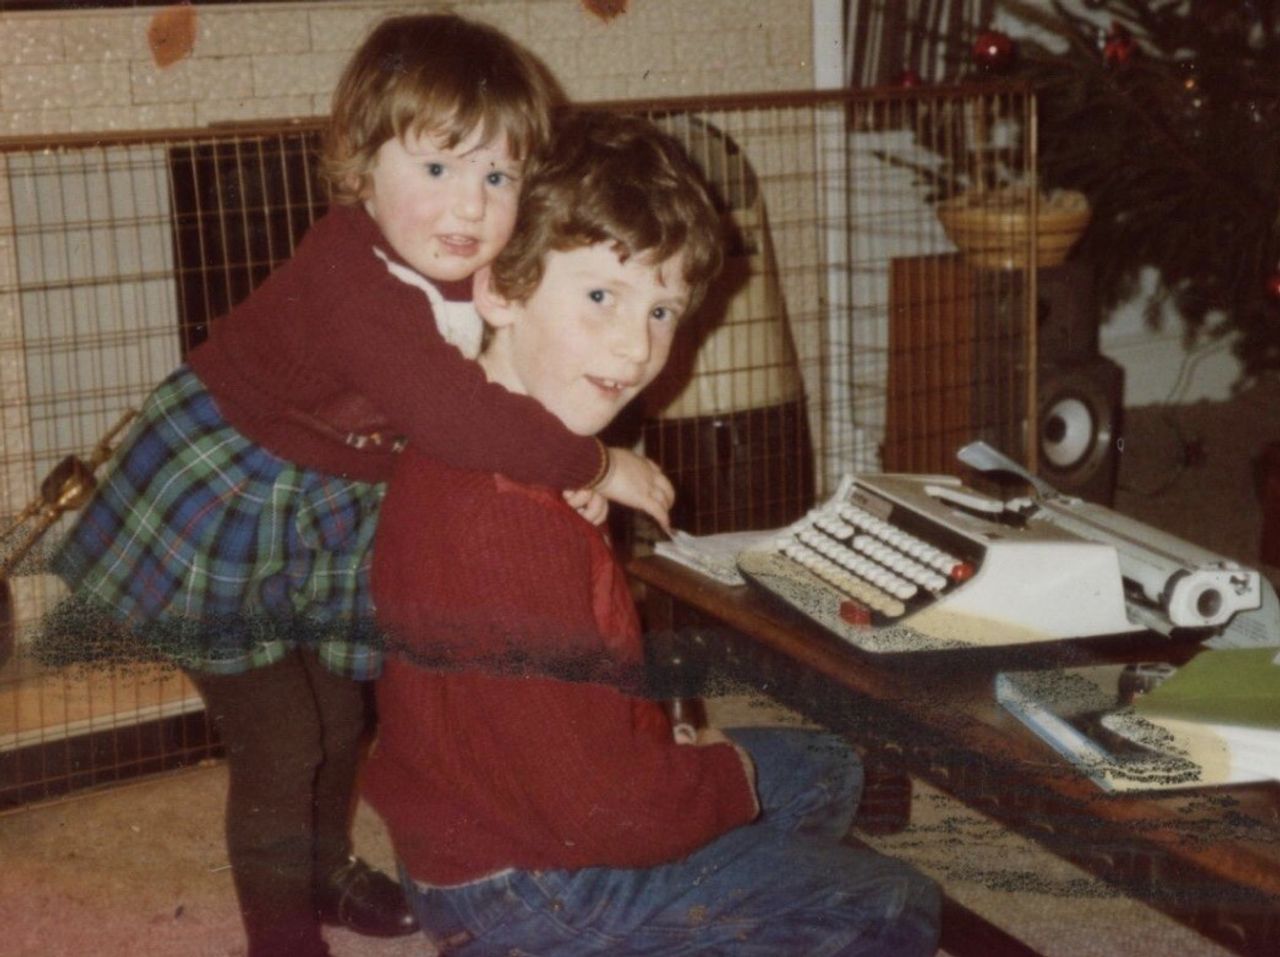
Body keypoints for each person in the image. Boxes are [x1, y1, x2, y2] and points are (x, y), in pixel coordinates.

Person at [44, 16, 673, 957]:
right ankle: (280, 935)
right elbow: (459, 415)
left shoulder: (485, 273)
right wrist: (599, 465)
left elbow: (509, 395)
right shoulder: (353, 277)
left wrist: (556, 483)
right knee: (281, 741)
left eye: (497, 177)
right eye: (437, 169)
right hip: (232, 497)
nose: (468, 207)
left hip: (339, 503)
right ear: (359, 167)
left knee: (344, 714)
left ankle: (326, 870)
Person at [365, 110, 942, 956]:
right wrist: (713, 776)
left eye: (663, 310)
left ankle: (744, 882)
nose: (637, 347)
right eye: (602, 296)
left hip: (484, 824)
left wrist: (676, 761)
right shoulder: (508, 525)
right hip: (538, 883)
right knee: (893, 902)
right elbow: (603, 810)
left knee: (826, 765)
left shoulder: (473, 439)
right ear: (502, 289)